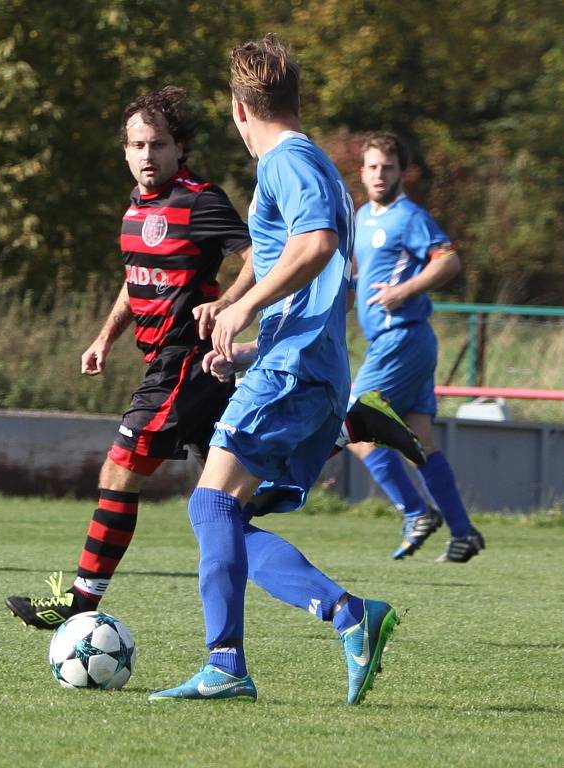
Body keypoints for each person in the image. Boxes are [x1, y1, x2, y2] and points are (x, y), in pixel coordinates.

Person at [4, 87, 420, 633]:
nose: (147, 154)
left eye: (158, 144)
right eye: (137, 144)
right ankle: (348, 431)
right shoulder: (135, 209)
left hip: (186, 364)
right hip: (171, 363)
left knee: (120, 469)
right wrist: (105, 337)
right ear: (124, 151)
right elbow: (135, 283)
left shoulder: (200, 200)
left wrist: (231, 303)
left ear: (181, 149)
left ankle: (83, 602)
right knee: (227, 514)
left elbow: (257, 256)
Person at [149, 36, 397, 705]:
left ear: (238, 110)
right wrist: (234, 306)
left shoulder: (287, 163)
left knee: (209, 505)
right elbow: (287, 250)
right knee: (221, 515)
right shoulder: (307, 165)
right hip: (300, 366)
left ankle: (239, 661)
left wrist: (246, 309)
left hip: (297, 372)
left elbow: (315, 245)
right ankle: (343, 619)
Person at [347, 132, 485, 563]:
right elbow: (355, 275)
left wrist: (403, 290)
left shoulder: (410, 216)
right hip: (399, 342)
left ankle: (415, 512)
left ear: (401, 172)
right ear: (363, 171)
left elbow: (449, 260)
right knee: (420, 441)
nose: (379, 174)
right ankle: (462, 532)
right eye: (372, 166)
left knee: (352, 424)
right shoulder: (361, 217)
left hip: (402, 337)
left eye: (388, 167)